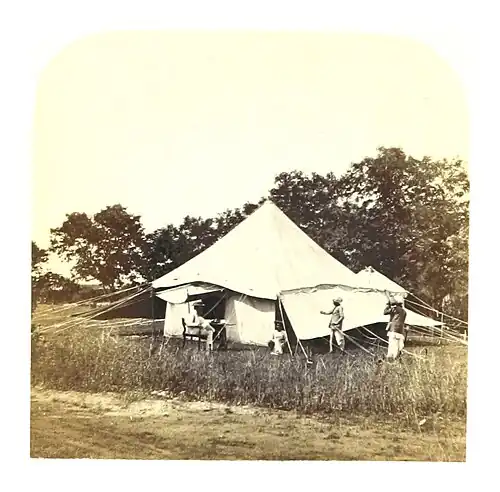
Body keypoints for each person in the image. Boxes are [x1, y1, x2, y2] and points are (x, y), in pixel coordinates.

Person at [383, 295, 407, 361]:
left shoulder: (395, 309)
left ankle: (391, 358)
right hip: (401, 330)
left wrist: (388, 305)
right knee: (398, 345)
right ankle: (397, 357)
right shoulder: (404, 312)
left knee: (392, 344)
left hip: (393, 329)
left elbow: (385, 312)